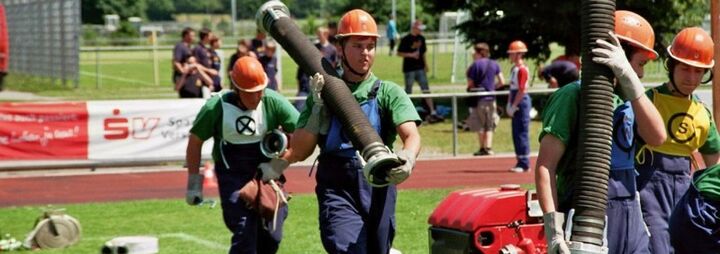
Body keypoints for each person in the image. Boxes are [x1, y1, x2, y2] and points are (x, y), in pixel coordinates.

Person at [257, 9, 421, 253]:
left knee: (379, 249)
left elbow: (411, 135)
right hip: (337, 186)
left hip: (379, 183)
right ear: (341, 48)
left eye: (370, 46)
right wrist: (316, 113)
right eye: (357, 45)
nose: (365, 53)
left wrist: (408, 158)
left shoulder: (388, 92)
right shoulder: (322, 91)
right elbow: (301, 151)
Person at [535, 10, 666, 254]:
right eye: (640, 64)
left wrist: (628, 77)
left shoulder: (630, 99)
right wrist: (554, 232)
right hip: (588, 215)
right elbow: (546, 166)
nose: (642, 73)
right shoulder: (573, 96)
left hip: (630, 216)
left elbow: (657, 136)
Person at [184, 56, 299, 253]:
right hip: (232, 176)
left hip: (267, 175)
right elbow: (195, 142)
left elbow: (304, 135)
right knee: (244, 230)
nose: (257, 96)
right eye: (250, 93)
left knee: (272, 236)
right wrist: (194, 184)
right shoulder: (215, 107)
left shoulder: (273, 102)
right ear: (236, 90)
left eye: (260, 90)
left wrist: (279, 164)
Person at [638, 27, 720, 254]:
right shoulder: (647, 101)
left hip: (686, 191)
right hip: (648, 189)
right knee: (658, 247)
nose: (691, 78)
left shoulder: (703, 113)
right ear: (671, 65)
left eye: (699, 71)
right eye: (685, 68)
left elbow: (714, 167)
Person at [397, 19, 443, 123]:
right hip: (409, 69)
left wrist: (426, 65)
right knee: (408, 91)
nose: (421, 31)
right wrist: (411, 55)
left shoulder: (422, 38)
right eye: (420, 28)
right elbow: (399, 53)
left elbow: (423, 54)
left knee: (426, 89)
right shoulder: (406, 39)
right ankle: (406, 112)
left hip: (420, 68)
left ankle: (432, 112)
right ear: (414, 27)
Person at [466, 42, 504, 156]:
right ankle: (488, 147)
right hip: (491, 98)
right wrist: (492, 88)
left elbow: (470, 84)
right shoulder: (494, 64)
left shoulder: (474, 65)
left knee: (480, 124)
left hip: (479, 98)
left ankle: (483, 147)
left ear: (479, 52)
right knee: (490, 124)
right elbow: (502, 81)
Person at [295, 27, 338, 110]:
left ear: (326, 35)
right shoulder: (314, 47)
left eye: (320, 34)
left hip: (326, 81)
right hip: (312, 81)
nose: (318, 36)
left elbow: (334, 65)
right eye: (317, 34)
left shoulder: (332, 49)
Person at [506, 40, 532, 172]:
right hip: (515, 100)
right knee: (516, 132)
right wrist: (509, 104)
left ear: (518, 55)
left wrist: (514, 104)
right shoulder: (514, 69)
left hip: (521, 102)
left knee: (522, 132)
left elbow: (522, 90)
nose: (510, 56)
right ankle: (520, 160)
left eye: (512, 54)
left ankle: (524, 163)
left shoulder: (522, 70)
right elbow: (512, 88)